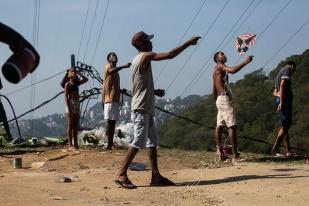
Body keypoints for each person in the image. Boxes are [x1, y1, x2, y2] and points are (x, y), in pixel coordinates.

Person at [115, 31, 200, 189]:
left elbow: (139, 85)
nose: (151, 43)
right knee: (139, 141)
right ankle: (121, 173)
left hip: (145, 106)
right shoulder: (145, 56)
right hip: (141, 108)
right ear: (141, 44)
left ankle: (155, 175)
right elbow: (170, 55)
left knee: (152, 142)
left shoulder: (136, 60)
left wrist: (154, 91)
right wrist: (188, 43)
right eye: (148, 40)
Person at [213, 51, 253, 162]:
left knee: (220, 125)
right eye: (222, 54)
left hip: (220, 99)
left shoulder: (216, 68)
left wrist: (216, 100)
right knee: (232, 126)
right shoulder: (220, 66)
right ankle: (235, 156)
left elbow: (214, 86)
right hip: (223, 99)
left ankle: (220, 152)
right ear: (217, 59)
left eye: (224, 54)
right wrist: (246, 62)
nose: (224, 55)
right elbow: (233, 70)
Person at [103, 52, 131, 150]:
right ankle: (108, 144)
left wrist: (120, 90)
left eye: (115, 56)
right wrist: (123, 66)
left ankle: (110, 144)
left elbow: (113, 86)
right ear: (109, 59)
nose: (115, 57)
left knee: (113, 122)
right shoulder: (108, 67)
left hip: (115, 98)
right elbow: (111, 71)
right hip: (109, 99)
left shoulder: (116, 72)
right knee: (110, 122)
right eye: (112, 56)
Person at [271, 61, 296, 157]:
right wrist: (281, 102)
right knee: (286, 126)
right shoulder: (286, 70)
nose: (293, 73)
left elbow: (274, 91)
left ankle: (289, 150)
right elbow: (282, 85)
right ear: (292, 67)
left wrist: (278, 95)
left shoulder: (279, 73)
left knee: (285, 126)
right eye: (294, 71)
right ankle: (275, 147)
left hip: (281, 100)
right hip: (284, 102)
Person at [63, 68, 88, 152]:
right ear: (68, 74)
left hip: (77, 103)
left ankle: (76, 144)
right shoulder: (68, 84)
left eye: (74, 72)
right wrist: (68, 109)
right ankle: (70, 145)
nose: (74, 73)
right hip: (71, 103)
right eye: (72, 71)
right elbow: (66, 97)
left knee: (76, 125)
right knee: (70, 125)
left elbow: (86, 79)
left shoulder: (77, 84)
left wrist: (79, 73)